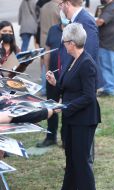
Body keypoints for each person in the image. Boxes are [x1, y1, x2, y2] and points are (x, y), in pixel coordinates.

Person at [47, 23, 101, 190]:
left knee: (81, 161)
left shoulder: (86, 63)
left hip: (83, 120)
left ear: (72, 42)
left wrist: (65, 107)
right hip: (71, 117)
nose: (64, 46)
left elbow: (89, 96)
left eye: (65, 42)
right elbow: (69, 86)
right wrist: (56, 82)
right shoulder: (73, 60)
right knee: (71, 157)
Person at [36, 10, 69, 147]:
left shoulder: (75, 30)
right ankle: (51, 137)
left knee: (67, 107)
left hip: (68, 76)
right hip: (53, 76)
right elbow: (47, 51)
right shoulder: (53, 30)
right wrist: (47, 71)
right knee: (51, 106)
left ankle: (66, 138)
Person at [96, 0, 114, 96]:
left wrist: (91, 22)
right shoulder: (112, 6)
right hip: (113, 41)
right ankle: (112, 87)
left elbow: (100, 21)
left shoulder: (111, 7)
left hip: (108, 42)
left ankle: (109, 89)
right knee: (112, 66)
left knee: (106, 66)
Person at [39, 0, 61, 96]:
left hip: (43, 37)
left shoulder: (44, 7)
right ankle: (49, 86)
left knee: (45, 62)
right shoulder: (58, 7)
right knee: (52, 64)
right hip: (54, 38)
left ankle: (44, 88)